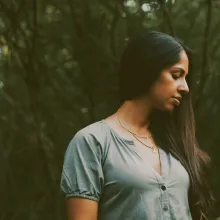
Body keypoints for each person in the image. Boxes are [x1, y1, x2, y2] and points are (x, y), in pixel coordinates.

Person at [60, 30, 212, 220]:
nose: (185, 87)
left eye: (185, 78)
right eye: (176, 75)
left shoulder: (174, 142)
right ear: (149, 68)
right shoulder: (92, 142)